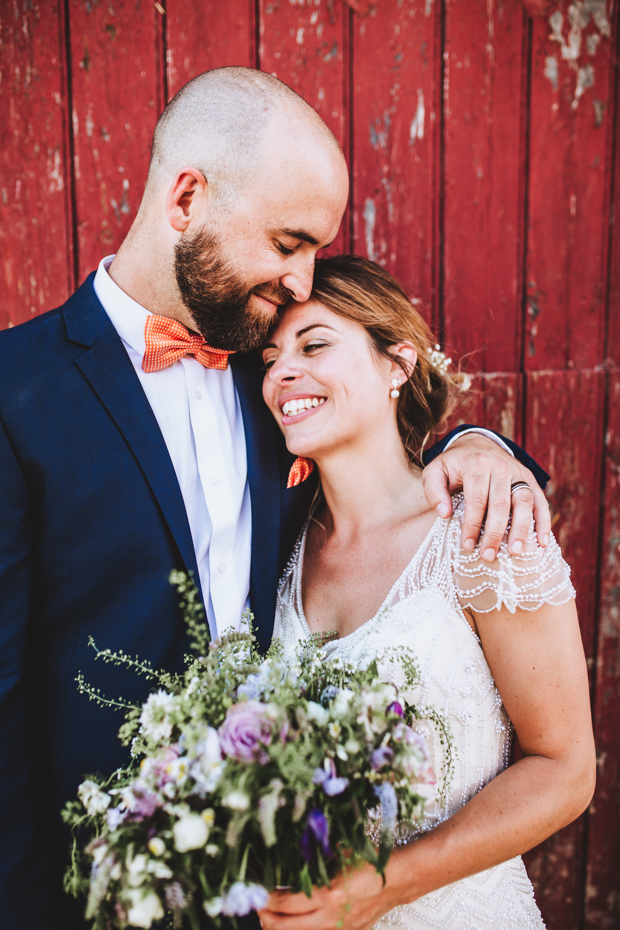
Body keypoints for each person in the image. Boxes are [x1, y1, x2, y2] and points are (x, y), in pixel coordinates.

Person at [0, 69, 550, 929]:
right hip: (94, 892)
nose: (301, 281)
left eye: (314, 255)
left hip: (282, 890)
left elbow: (374, 435)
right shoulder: (15, 391)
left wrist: (484, 449)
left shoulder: (268, 365)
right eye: (288, 242)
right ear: (186, 198)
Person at [259, 255, 595, 930]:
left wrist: (386, 887)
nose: (281, 372)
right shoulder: (271, 551)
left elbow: (565, 769)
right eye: (268, 359)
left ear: (398, 364)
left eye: (314, 344)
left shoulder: (484, 523)